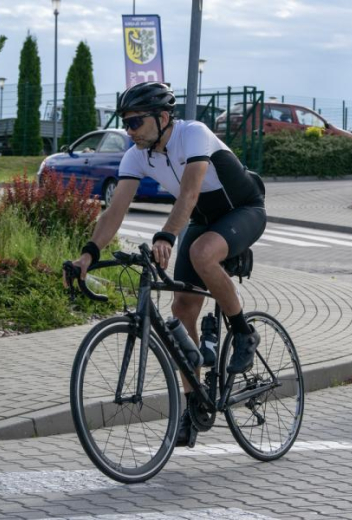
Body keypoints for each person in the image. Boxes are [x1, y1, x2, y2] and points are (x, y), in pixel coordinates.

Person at [65, 81, 267, 446]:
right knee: (182, 308)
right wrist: (88, 254)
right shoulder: (137, 155)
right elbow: (114, 212)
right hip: (204, 221)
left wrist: (167, 235)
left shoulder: (193, 135)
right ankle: (194, 405)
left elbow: (189, 193)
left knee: (202, 253)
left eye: (135, 122)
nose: (129, 131)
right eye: (125, 123)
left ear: (161, 117)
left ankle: (243, 332)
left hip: (243, 210)